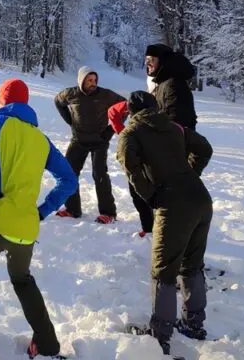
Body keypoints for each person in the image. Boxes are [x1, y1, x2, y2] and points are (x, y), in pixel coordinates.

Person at [0, 78, 76, 360]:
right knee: (22, 279)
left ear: (2, 100)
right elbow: (68, 180)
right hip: (26, 228)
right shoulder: (40, 139)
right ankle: (47, 345)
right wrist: (42, 211)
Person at [116, 91, 213, 356]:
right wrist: (190, 173)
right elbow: (204, 148)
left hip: (173, 203)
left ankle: (160, 336)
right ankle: (194, 324)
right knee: (192, 265)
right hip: (200, 198)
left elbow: (131, 169)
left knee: (164, 270)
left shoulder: (130, 134)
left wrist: (153, 196)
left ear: (130, 112)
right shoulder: (174, 127)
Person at [53, 66, 125, 223]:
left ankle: (108, 213)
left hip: (99, 141)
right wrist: (70, 120)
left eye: (95, 80)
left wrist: (111, 129)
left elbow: (124, 106)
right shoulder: (71, 93)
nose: (93, 83)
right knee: (69, 173)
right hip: (78, 140)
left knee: (99, 174)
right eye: (89, 80)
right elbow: (58, 101)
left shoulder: (105, 94)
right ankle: (72, 209)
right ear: (81, 81)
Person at [108, 99, 153, 237]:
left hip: (157, 152)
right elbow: (113, 111)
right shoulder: (139, 98)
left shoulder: (165, 96)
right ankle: (148, 229)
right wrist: (122, 132)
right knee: (138, 192)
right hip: (137, 151)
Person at [145, 44, 198, 130]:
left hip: (175, 141)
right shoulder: (163, 84)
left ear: (163, 61)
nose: (147, 63)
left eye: (152, 60)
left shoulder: (174, 84)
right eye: (146, 59)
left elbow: (177, 122)